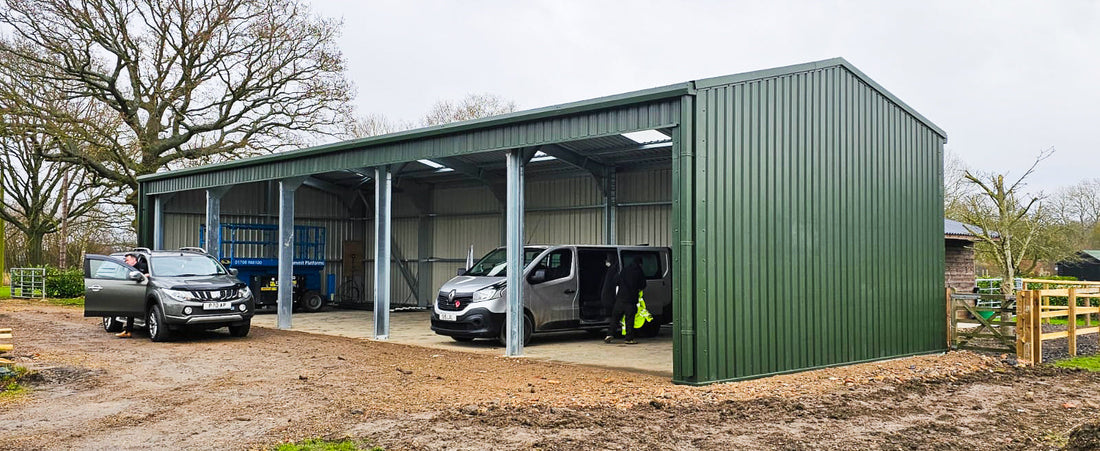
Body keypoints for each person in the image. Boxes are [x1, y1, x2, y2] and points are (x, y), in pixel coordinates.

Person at [606, 256, 645, 345]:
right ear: (640, 264)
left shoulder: (624, 270)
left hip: (620, 300)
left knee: (615, 318)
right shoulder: (639, 272)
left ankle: (609, 334)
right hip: (631, 301)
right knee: (629, 320)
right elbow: (643, 285)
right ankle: (629, 339)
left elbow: (616, 281)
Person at [116, 253, 149, 338]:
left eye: (127, 260)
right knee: (130, 311)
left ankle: (131, 330)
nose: (125, 262)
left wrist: (146, 275)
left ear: (134, 260)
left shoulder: (144, 266)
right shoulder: (128, 269)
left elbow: (152, 274)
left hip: (144, 292)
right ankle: (128, 331)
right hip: (133, 292)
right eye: (125, 260)